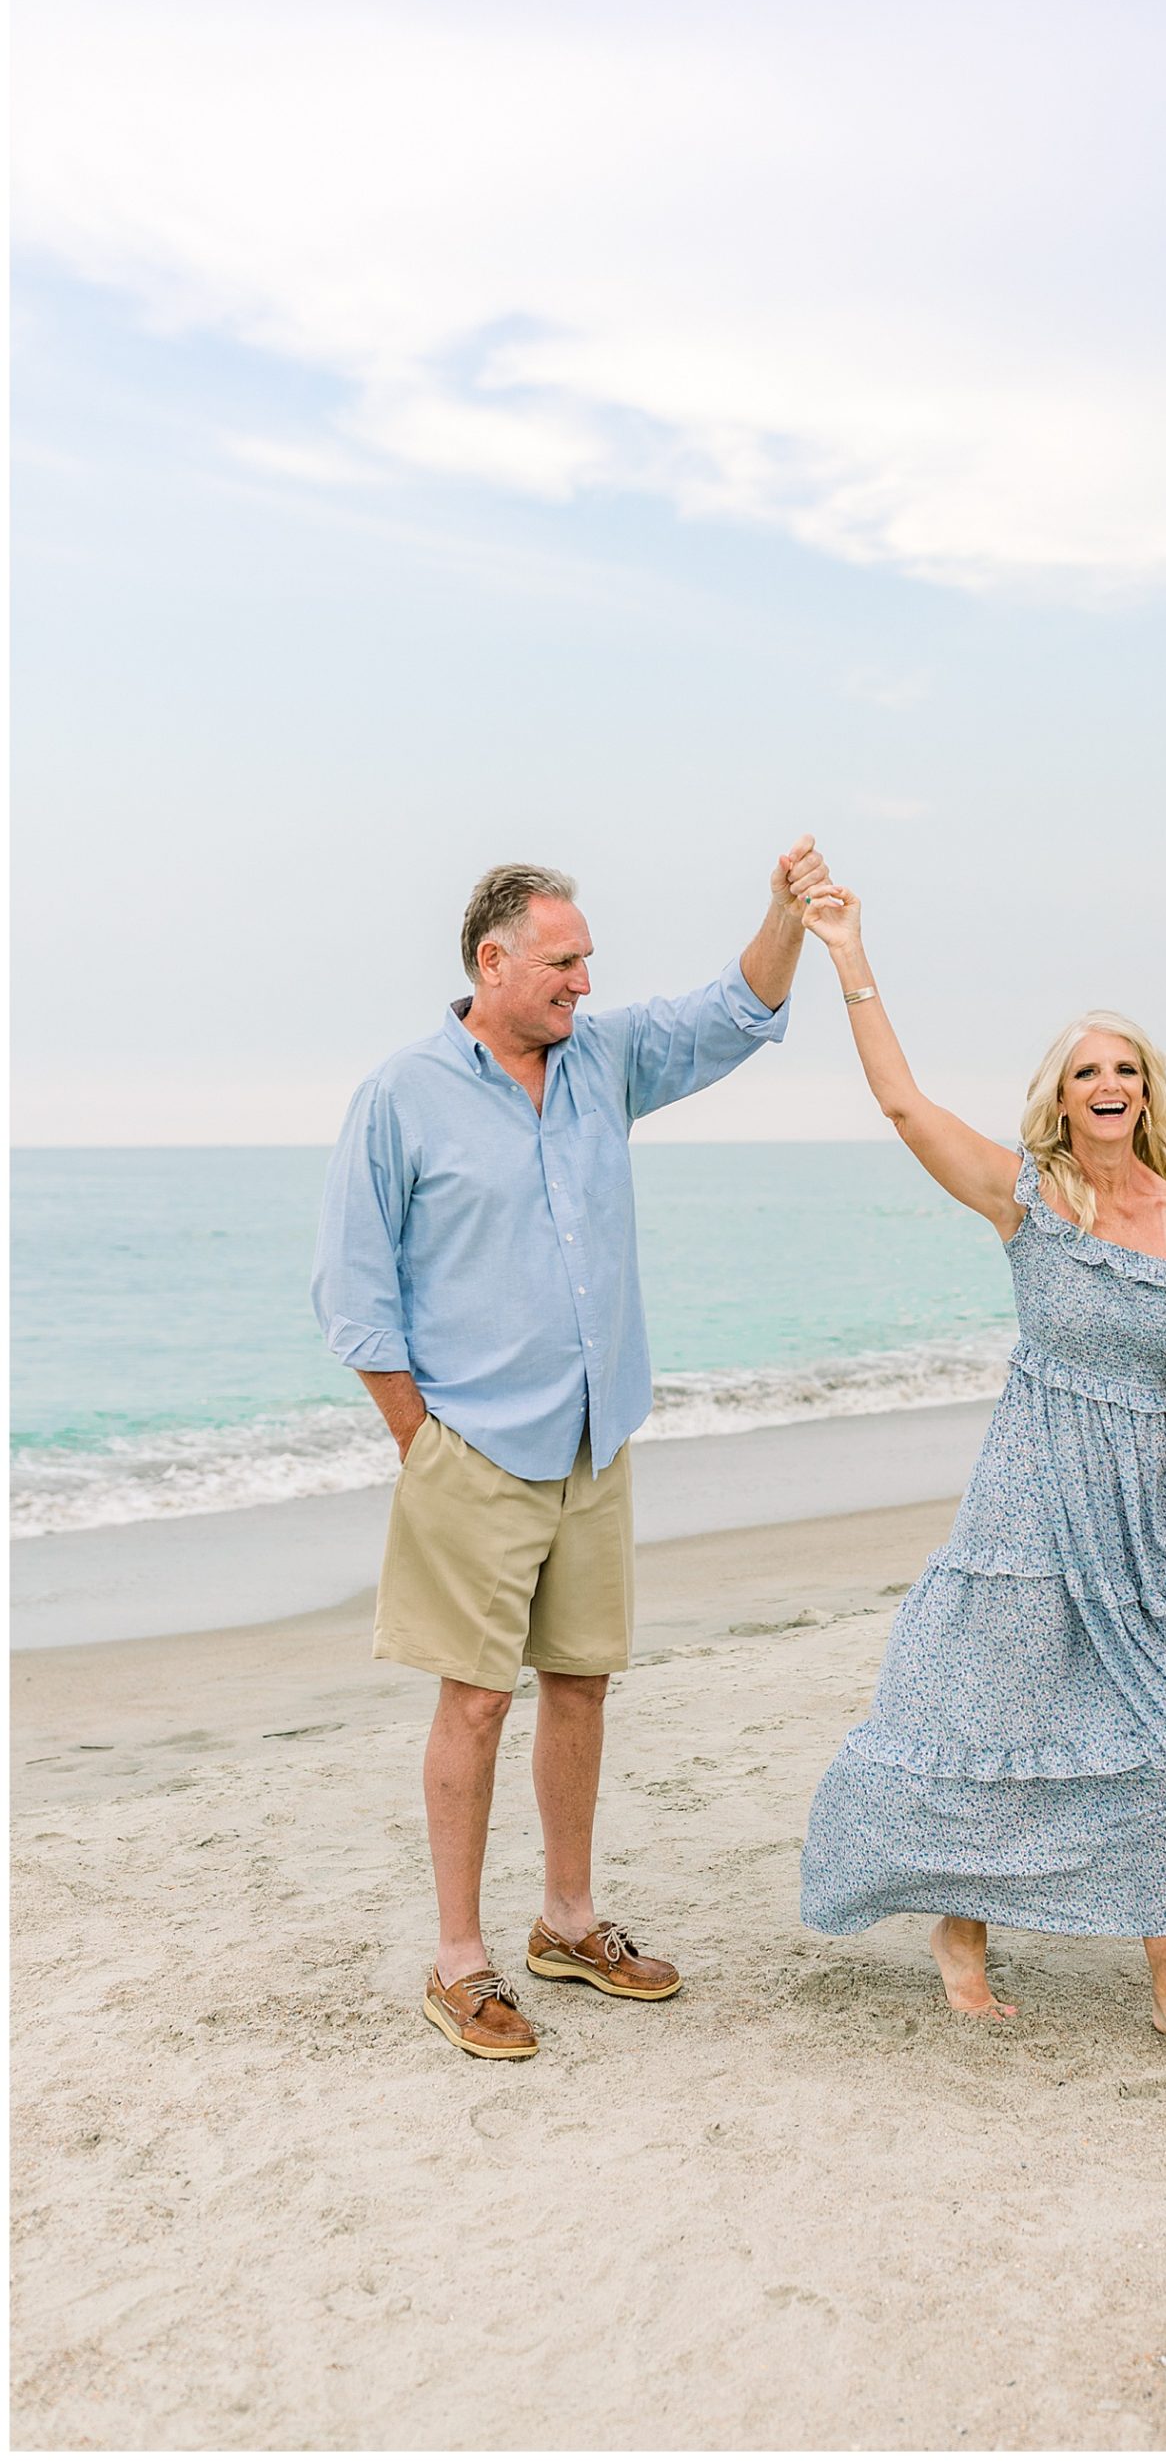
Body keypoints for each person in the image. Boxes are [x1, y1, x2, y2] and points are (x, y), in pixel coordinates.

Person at [312, 840, 830, 2061]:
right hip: (472, 1450)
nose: (584, 983)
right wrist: (419, 1445)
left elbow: (737, 1006)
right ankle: (459, 1961)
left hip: (596, 1440)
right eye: (562, 962)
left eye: (588, 960)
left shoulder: (604, 1062)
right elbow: (351, 1287)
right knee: (476, 1700)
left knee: (583, 1681)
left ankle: (567, 1921)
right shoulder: (402, 1094)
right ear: (492, 964)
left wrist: (784, 913)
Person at [796, 885, 1166, 2060]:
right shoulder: (1029, 1196)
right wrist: (850, 955)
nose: (1107, 1085)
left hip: (1143, 1513)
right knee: (985, 1713)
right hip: (1026, 1499)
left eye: (1125, 1068)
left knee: (1157, 1736)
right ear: (1059, 1098)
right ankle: (958, 1932)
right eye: (1084, 1072)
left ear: (1148, 1091)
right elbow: (906, 1106)